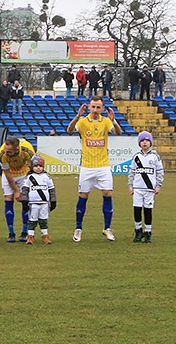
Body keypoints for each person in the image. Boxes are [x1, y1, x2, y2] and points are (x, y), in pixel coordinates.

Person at [66, 95, 122, 242]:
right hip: (87, 166)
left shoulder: (106, 121)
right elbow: (69, 130)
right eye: (93, 106)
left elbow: (118, 133)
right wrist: (78, 116)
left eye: (98, 107)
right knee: (83, 196)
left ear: (102, 108)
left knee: (107, 193)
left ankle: (107, 228)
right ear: (89, 107)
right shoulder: (83, 122)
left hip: (103, 166)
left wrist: (113, 120)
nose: (95, 110)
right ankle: (78, 228)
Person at [0, 136, 36, 242]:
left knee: (25, 201)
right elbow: (7, 173)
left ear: (17, 149)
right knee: (9, 199)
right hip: (9, 175)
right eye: (5, 149)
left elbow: (34, 169)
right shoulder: (2, 154)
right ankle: (11, 233)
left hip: (24, 174)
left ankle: (24, 232)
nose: (6, 152)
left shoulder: (27, 151)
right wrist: (16, 190)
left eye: (9, 151)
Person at [129, 131, 164, 243]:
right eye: (142, 141)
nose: (145, 143)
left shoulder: (155, 157)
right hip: (138, 188)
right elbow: (132, 172)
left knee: (148, 210)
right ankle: (138, 230)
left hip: (149, 189)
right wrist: (130, 186)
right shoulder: (136, 157)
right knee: (137, 209)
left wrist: (158, 186)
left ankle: (148, 232)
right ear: (139, 143)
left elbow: (159, 172)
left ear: (150, 143)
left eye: (147, 141)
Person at [20, 155, 56, 245]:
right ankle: (30, 237)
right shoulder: (29, 177)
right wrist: (24, 201)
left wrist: (53, 201)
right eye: (36, 166)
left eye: (40, 166)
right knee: (32, 221)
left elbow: (52, 189)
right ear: (32, 167)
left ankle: (45, 236)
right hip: (33, 204)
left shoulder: (47, 177)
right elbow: (25, 190)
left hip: (44, 203)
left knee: (43, 220)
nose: (38, 168)